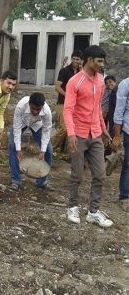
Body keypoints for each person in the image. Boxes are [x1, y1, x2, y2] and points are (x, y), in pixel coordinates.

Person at [64, 45, 113, 228]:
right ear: (89, 60)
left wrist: (102, 127)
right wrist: (70, 133)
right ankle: (73, 206)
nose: (102, 64)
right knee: (77, 174)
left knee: (100, 175)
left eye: (102, 61)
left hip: (96, 133)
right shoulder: (74, 81)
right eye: (99, 61)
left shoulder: (100, 80)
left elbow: (97, 107)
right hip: (78, 133)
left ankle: (93, 212)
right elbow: (68, 110)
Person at [8, 93, 53, 191]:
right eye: (33, 108)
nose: (35, 111)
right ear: (29, 104)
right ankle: (16, 181)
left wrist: (43, 151)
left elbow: (46, 131)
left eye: (38, 109)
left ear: (42, 106)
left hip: (37, 124)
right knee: (13, 147)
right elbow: (16, 128)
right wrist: (18, 149)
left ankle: (42, 182)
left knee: (49, 151)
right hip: (22, 123)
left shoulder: (47, 112)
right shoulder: (21, 106)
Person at [52, 50, 83, 153]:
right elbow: (57, 87)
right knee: (65, 128)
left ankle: (63, 150)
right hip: (63, 103)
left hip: (76, 105)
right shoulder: (64, 71)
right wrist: (68, 96)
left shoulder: (82, 73)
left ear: (81, 61)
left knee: (74, 128)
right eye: (73, 59)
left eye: (77, 59)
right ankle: (50, 148)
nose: (75, 61)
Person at [111, 77, 129, 212]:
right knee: (128, 165)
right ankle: (124, 196)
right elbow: (119, 112)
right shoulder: (125, 84)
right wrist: (117, 136)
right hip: (128, 130)